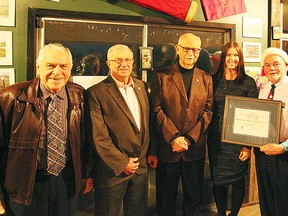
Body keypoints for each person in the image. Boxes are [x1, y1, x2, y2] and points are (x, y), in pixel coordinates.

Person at [0, 43, 92, 216]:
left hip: (66, 182)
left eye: (63, 66)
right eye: (50, 65)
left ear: (71, 69)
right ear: (38, 66)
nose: (57, 72)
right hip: (25, 184)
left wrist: (87, 173)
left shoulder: (79, 96)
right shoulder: (11, 97)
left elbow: (86, 141)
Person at [148, 33, 213, 216]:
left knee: (194, 199)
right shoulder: (162, 76)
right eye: (186, 48)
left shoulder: (206, 79)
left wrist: (190, 139)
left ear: (199, 52)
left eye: (195, 49)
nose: (190, 53)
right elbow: (156, 109)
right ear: (177, 49)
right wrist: (174, 137)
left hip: (194, 150)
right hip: (169, 149)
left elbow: (208, 112)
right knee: (165, 199)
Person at [85, 44, 150, 216]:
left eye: (128, 60)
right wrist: (122, 163)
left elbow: (145, 126)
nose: (124, 64)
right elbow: (98, 136)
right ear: (108, 63)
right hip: (112, 172)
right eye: (118, 60)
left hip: (140, 169)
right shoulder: (95, 92)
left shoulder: (141, 87)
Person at [206, 41, 258, 216]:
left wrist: (247, 145)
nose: (232, 58)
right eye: (229, 54)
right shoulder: (213, 80)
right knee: (218, 180)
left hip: (238, 140)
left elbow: (254, 115)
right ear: (223, 57)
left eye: (236, 55)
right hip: (216, 140)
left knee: (237, 181)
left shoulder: (248, 82)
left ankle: (234, 214)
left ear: (240, 58)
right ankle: (221, 213)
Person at [255, 47, 288, 216]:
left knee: (283, 201)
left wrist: (283, 147)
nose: (272, 68)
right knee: (267, 198)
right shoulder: (264, 89)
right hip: (263, 152)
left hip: (284, 154)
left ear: (286, 66)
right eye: (267, 65)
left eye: (276, 64)